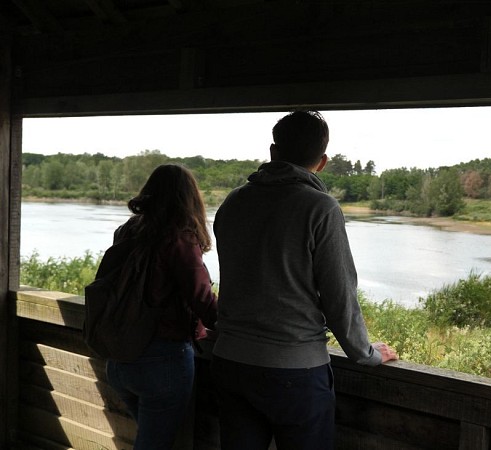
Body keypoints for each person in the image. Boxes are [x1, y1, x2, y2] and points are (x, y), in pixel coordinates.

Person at [212, 110, 398, 450]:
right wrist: (367, 354)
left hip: (231, 362)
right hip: (294, 372)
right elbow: (340, 295)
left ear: (273, 152)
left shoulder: (234, 202)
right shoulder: (320, 208)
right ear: (323, 161)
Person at [105, 163, 218, 450]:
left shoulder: (127, 231)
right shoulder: (180, 237)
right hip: (163, 359)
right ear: (189, 198)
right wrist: (236, 322)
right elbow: (201, 297)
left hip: (120, 358)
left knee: (149, 437)